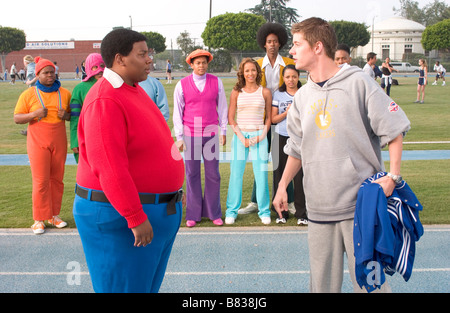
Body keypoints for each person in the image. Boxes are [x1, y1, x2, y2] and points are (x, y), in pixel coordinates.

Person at [272, 17, 411, 293]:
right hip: (319, 207)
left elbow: (394, 130)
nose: (292, 51)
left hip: (361, 207)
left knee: (372, 287)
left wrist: (393, 176)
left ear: (318, 47)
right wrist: (281, 186)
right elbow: (297, 148)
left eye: (298, 44)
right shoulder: (301, 97)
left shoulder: (358, 82)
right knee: (321, 288)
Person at [73, 28, 185, 293]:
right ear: (120, 59)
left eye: (149, 53)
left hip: (154, 210)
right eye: (142, 54)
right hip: (120, 217)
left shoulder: (132, 89)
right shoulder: (105, 98)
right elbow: (108, 166)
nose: (149, 60)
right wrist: (134, 216)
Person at [239, 22, 295, 216]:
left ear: (280, 44)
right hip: (261, 121)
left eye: (275, 41)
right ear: (264, 44)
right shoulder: (256, 65)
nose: (272, 44)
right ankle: (256, 201)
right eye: (269, 41)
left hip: (283, 120)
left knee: (286, 161)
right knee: (260, 162)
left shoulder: (289, 63)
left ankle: (291, 200)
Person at [13, 56, 71, 234]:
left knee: (57, 179)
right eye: (46, 73)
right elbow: (17, 118)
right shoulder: (29, 94)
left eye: (52, 72)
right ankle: (38, 219)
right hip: (38, 139)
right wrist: (34, 114)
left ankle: (53, 215)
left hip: (59, 139)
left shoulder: (65, 93)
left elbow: (73, 116)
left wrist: (66, 116)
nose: (50, 76)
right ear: (37, 75)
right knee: (40, 180)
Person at [173, 49, 227, 227]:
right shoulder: (182, 85)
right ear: (191, 64)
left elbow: (222, 109)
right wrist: (179, 136)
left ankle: (213, 212)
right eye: (198, 63)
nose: (201, 66)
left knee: (213, 175)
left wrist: (223, 131)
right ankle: (193, 214)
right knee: (192, 174)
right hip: (190, 136)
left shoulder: (216, 82)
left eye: (204, 62)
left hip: (211, 135)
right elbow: (178, 112)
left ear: (207, 63)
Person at [226, 58, 272, 225]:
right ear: (242, 73)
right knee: (236, 175)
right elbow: (231, 118)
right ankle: (231, 211)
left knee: (261, 175)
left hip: (259, 135)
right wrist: (242, 138)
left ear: (257, 72)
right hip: (240, 137)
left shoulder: (265, 92)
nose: (250, 73)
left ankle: (264, 211)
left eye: (253, 70)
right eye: (247, 71)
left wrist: (260, 136)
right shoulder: (236, 92)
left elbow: (268, 118)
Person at [271, 64, 308, 225]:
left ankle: (302, 213)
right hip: (280, 136)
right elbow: (273, 119)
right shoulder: (278, 95)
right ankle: (281, 213)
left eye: (294, 76)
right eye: (287, 77)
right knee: (279, 175)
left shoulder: (304, 93)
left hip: (299, 138)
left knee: (300, 176)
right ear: (283, 78)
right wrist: (288, 112)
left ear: (298, 77)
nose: (291, 80)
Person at [69, 53, 105, 163]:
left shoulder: (113, 85)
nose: (99, 70)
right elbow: (75, 118)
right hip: (87, 138)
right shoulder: (80, 89)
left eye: (102, 66)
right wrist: (75, 141)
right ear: (89, 68)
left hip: (108, 138)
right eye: (95, 67)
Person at [138, 57, 169, 122]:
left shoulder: (155, 84)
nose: (149, 61)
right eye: (142, 55)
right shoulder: (118, 85)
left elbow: (164, 110)